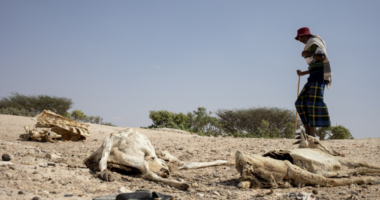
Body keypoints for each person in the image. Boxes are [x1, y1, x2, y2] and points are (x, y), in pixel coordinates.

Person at [294, 27, 331, 137]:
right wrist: (303, 73)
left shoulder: (314, 42)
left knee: (312, 104)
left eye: (300, 38)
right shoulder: (311, 44)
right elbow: (315, 66)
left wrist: (307, 53)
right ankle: (307, 131)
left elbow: (322, 57)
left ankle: (311, 134)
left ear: (305, 35)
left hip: (318, 78)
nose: (300, 40)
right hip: (313, 77)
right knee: (300, 102)